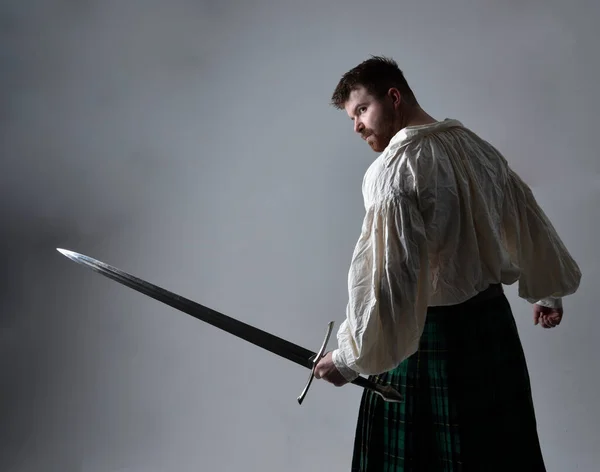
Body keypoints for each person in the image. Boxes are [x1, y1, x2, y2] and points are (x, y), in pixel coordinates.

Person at [314, 56, 582, 471]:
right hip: (492, 325)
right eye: (352, 118)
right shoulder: (476, 147)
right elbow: (522, 216)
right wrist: (548, 288)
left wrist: (350, 358)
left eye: (361, 110)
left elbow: (392, 278)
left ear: (394, 96)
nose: (358, 127)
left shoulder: (393, 169)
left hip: (425, 340)